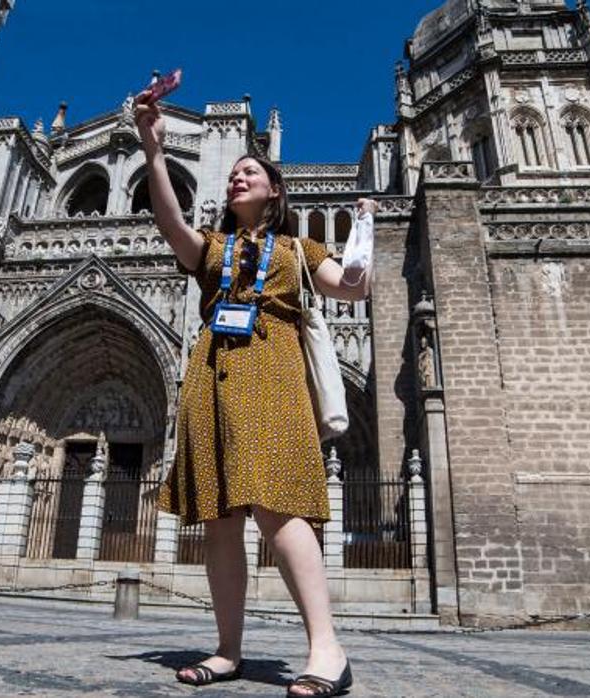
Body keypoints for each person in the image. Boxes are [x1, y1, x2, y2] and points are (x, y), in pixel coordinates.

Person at [133, 87, 375, 697]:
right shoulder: (213, 250)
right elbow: (171, 225)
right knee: (218, 521)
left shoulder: (298, 248)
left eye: (251, 171)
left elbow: (351, 288)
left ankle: (327, 647)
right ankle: (228, 649)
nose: (239, 176)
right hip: (212, 375)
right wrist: (153, 150)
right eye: (235, 172)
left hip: (272, 373)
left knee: (277, 506)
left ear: (274, 190)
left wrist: (365, 233)